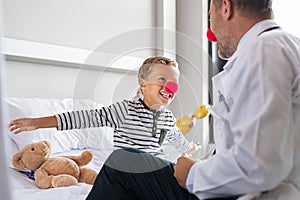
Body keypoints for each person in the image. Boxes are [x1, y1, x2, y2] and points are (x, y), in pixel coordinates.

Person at [83, 0, 300, 199]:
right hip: (249, 187)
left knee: (120, 162)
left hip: (244, 194)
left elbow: (258, 165)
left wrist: (193, 174)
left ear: (226, 7)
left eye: (210, 17)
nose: (211, 30)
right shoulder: (285, 46)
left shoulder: (263, 52)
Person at [9, 55, 197, 158]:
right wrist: (38, 123)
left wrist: (187, 149)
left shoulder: (167, 118)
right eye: (162, 79)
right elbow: (83, 118)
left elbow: (175, 136)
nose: (169, 86)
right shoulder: (125, 110)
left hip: (154, 169)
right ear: (143, 84)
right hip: (128, 171)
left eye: (173, 81)